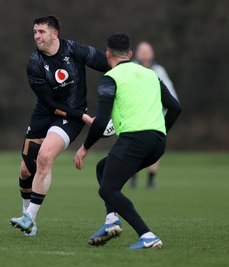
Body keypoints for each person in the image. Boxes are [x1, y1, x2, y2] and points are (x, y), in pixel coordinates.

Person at [74, 33, 181, 249]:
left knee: (107, 190)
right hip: (157, 143)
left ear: (107, 55)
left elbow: (102, 119)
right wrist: (161, 131)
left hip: (134, 139)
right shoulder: (151, 74)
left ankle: (147, 235)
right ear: (130, 54)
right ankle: (112, 221)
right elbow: (176, 107)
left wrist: (84, 148)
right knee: (103, 169)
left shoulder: (111, 78)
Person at [10, 15, 110, 236]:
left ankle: (30, 217)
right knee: (26, 169)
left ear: (55, 33)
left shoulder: (73, 49)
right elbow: (49, 103)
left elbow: (107, 64)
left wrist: (121, 83)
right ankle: (27, 217)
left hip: (70, 117)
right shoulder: (35, 64)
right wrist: (85, 117)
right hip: (46, 112)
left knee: (44, 157)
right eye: (35, 32)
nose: (37, 36)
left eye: (41, 32)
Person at [130, 41, 179, 188]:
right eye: (142, 51)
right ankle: (132, 176)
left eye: (147, 51)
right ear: (136, 53)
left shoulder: (159, 71)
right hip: (135, 115)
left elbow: (171, 94)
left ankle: (151, 179)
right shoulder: (132, 69)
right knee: (132, 146)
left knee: (154, 147)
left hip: (155, 117)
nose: (144, 54)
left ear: (152, 53)